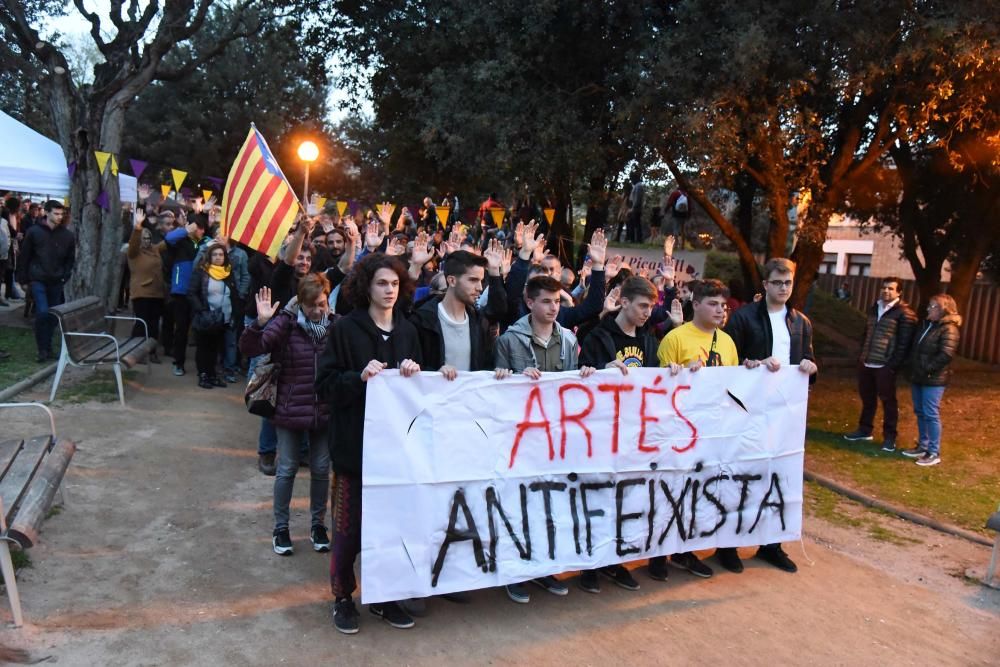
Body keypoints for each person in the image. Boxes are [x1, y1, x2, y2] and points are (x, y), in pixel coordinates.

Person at [316, 253, 423, 634]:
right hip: (354, 451)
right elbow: (324, 385)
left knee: (392, 529)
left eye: (394, 284)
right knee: (347, 531)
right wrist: (357, 378)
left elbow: (418, 395)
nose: (389, 290)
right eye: (381, 283)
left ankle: (384, 596)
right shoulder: (345, 329)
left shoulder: (409, 331)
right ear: (366, 286)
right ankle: (343, 597)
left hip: (396, 452)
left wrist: (414, 373)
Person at [494, 275, 600, 602]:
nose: (554, 307)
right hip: (520, 439)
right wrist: (513, 379)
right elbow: (494, 390)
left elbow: (569, 384)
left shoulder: (568, 339)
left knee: (550, 503)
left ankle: (543, 568)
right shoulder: (509, 341)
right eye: (546, 301)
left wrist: (582, 375)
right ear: (530, 303)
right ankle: (514, 572)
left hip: (556, 438)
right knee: (518, 505)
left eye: (557, 302)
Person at [579, 276, 678, 590]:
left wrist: (671, 373)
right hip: (602, 431)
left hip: (635, 432)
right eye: (643, 305)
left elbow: (652, 383)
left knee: (627, 499)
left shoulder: (650, 341)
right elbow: (580, 377)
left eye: (651, 306)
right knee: (598, 498)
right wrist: (599, 374)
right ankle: (589, 566)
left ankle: (615, 561)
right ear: (623, 301)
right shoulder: (598, 336)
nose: (648, 312)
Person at [724, 258, 818, 573]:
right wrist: (750, 364)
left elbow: (808, 360)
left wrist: (809, 366)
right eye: (776, 282)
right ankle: (728, 545)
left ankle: (771, 544)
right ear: (765, 285)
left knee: (778, 477)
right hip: (748, 410)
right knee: (741, 477)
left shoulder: (801, 322)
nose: (782, 288)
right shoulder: (743, 317)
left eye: (787, 283)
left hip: (783, 414)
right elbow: (728, 361)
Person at [241, 276, 333, 556]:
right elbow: (250, 348)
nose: (318, 311)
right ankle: (281, 528)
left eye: (322, 303)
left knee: (320, 468)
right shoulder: (287, 324)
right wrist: (261, 323)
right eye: (311, 305)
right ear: (300, 304)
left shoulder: (336, 325)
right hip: (290, 408)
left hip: (324, 410)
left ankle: (318, 525)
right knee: (287, 468)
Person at [656, 278, 740, 579]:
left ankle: (684, 550)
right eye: (713, 304)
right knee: (670, 490)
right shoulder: (675, 339)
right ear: (696, 304)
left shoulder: (727, 342)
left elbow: (732, 386)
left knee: (696, 492)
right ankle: (657, 553)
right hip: (678, 432)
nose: (720, 311)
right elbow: (659, 387)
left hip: (711, 431)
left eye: (723, 305)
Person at [843, 277, 916, 452]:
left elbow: (905, 344)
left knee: (888, 402)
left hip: (885, 364)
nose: (886, 291)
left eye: (891, 289)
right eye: (884, 288)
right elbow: (866, 333)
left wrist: (892, 365)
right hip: (867, 362)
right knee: (868, 399)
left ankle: (890, 438)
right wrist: (862, 355)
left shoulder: (904, 314)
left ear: (899, 292)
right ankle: (865, 430)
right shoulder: (874, 308)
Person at [901, 294, 961, 467]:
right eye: (929, 305)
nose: (928, 309)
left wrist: (927, 368)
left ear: (944, 310)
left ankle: (934, 452)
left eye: (933, 306)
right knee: (920, 412)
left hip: (933, 378)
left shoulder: (949, 329)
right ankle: (923, 445)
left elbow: (946, 354)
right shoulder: (928, 325)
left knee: (931, 414)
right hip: (919, 375)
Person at [16, 200, 75, 362]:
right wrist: (23, 278)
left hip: (56, 280)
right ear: (47, 213)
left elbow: (70, 259)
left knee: (52, 316)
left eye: (61, 214)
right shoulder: (34, 232)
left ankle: (47, 347)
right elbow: (25, 256)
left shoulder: (67, 236)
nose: (59, 217)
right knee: (42, 312)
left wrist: (65, 275)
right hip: (38, 278)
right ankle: (42, 349)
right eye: (56, 213)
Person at [163, 213, 209, 376]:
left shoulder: (206, 243)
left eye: (203, 228)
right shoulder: (180, 241)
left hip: (199, 292)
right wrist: (185, 229)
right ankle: (178, 362)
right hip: (181, 292)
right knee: (181, 329)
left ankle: (204, 368)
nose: (201, 231)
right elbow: (168, 238)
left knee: (202, 329)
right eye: (198, 227)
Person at [187, 243, 239, 389]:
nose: (218, 257)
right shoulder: (202, 271)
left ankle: (213, 375)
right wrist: (202, 311)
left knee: (217, 348)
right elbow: (191, 293)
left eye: (221, 255)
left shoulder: (228, 272)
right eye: (215, 255)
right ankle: (203, 374)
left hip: (223, 318)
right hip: (205, 318)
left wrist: (234, 313)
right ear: (209, 256)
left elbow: (233, 294)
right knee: (204, 347)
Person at [126, 209, 165, 362]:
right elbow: (134, 243)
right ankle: (136, 352)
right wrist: (137, 227)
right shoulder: (134, 253)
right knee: (142, 323)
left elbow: (167, 242)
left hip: (157, 293)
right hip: (141, 293)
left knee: (154, 324)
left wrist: (183, 229)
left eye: (148, 238)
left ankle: (152, 351)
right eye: (144, 238)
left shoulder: (154, 250)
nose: (147, 241)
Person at [625, 171, 644, 244]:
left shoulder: (638, 186)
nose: (631, 180)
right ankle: (633, 239)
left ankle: (637, 239)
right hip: (634, 208)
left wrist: (632, 208)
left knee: (635, 224)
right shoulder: (637, 186)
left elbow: (637, 199)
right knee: (633, 223)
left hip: (636, 208)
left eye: (632, 179)